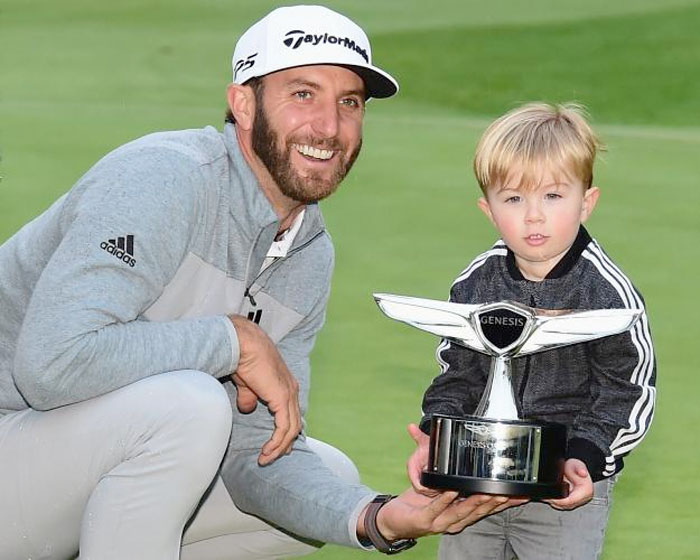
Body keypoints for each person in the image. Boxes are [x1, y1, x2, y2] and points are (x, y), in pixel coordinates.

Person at [0, 5, 520, 560]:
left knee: (331, 477)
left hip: (64, 473)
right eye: (303, 94)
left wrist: (377, 518)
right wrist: (234, 340)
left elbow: (258, 449)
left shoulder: (307, 250)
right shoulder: (164, 178)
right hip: (17, 445)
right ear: (243, 105)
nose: (328, 127)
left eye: (349, 102)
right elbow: (51, 365)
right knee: (191, 406)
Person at [407, 102, 656, 560]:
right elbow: (457, 373)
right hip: (476, 477)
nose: (534, 216)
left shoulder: (607, 293)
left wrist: (586, 454)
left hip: (563, 490)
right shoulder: (475, 282)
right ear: (488, 209)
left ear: (587, 202)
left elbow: (629, 389)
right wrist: (437, 435)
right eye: (514, 198)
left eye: (553, 196)